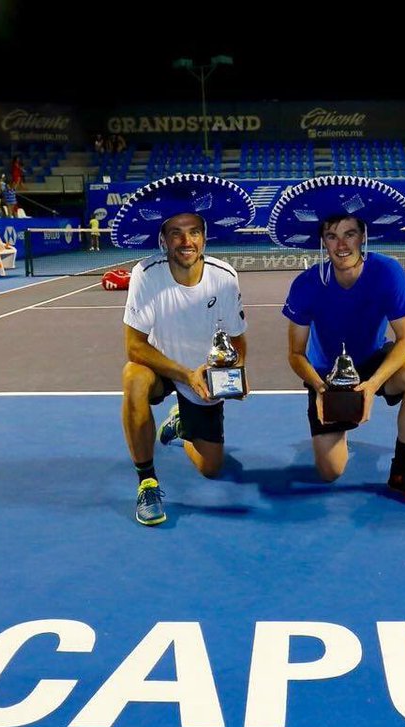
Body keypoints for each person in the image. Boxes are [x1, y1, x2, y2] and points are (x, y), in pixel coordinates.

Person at [271, 175, 405, 506]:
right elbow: (295, 354)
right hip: (324, 375)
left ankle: (402, 469)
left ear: (363, 235)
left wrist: (372, 386)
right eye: (332, 236)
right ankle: (340, 423)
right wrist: (322, 391)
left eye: (349, 233)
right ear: (323, 240)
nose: (341, 244)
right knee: (330, 472)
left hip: (373, 361)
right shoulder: (306, 284)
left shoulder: (388, 272)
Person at [113, 173, 257, 526]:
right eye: (175, 232)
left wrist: (233, 374)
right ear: (163, 240)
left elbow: (237, 340)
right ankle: (147, 480)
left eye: (193, 231)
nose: (186, 240)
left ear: (204, 238)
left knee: (211, 468)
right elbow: (134, 347)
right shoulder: (146, 274)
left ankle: (181, 423)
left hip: (204, 376)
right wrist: (184, 374)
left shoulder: (224, 277)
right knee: (133, 378)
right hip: (165, 369)